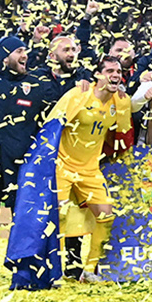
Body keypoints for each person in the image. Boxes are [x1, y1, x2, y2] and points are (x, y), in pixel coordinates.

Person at [0, 34, 61, 284]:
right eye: (19, 51)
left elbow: (60, 102)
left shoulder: (36, 84)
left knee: (21, 218)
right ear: (4, 56)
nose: (25, 55)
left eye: (25, 50)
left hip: (20, 165)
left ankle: (21, 269)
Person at [50, 59, 133, 283]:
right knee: (59, 216)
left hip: (90, 168)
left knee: (106, 215)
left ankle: (89, 270)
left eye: (118, 71)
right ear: (97, 74)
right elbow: (51, 127)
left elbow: (121, 135)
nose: (115, 75)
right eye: (109, 71)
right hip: (63, 165)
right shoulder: (79, 94)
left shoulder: (121, 101)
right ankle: (54, 271)